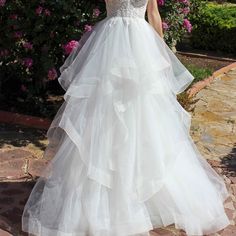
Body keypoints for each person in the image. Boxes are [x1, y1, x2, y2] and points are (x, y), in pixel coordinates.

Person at [22, 0, 231, 235]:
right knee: (106, 117)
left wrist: (160, 55)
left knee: (144, 118)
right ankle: (105, 195)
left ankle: (140, 191)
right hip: (110, 49)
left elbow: (153, 13)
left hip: (140, 48)